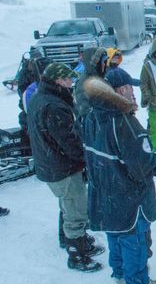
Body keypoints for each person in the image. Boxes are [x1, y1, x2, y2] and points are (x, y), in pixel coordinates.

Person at [82, 71, 156, 284]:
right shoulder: (123, 122)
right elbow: (139, 166)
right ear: (121, 91)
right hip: (128, 192)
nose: (133, 91)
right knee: (134, 236)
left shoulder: (92, 116)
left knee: (116, 231)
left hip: (105, 190)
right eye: (130, 88)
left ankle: (120, 271)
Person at [27, 63, 105, 272]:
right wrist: (84, 159)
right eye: (68, 79)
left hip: (52, 165)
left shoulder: (42, 98)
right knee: (75, 209)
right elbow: (69, 142)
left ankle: (74, 239)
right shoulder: (54, 106)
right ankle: (76, 253)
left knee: (68, 203)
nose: (72, 82)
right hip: (63, 168)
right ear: (58, 81)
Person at [74, 47, 108, 121]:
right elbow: (84, 110)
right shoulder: (85, 82)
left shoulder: (101, 76)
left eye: (105, 61)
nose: (104, 64)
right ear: (95, 64)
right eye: (102, 62)